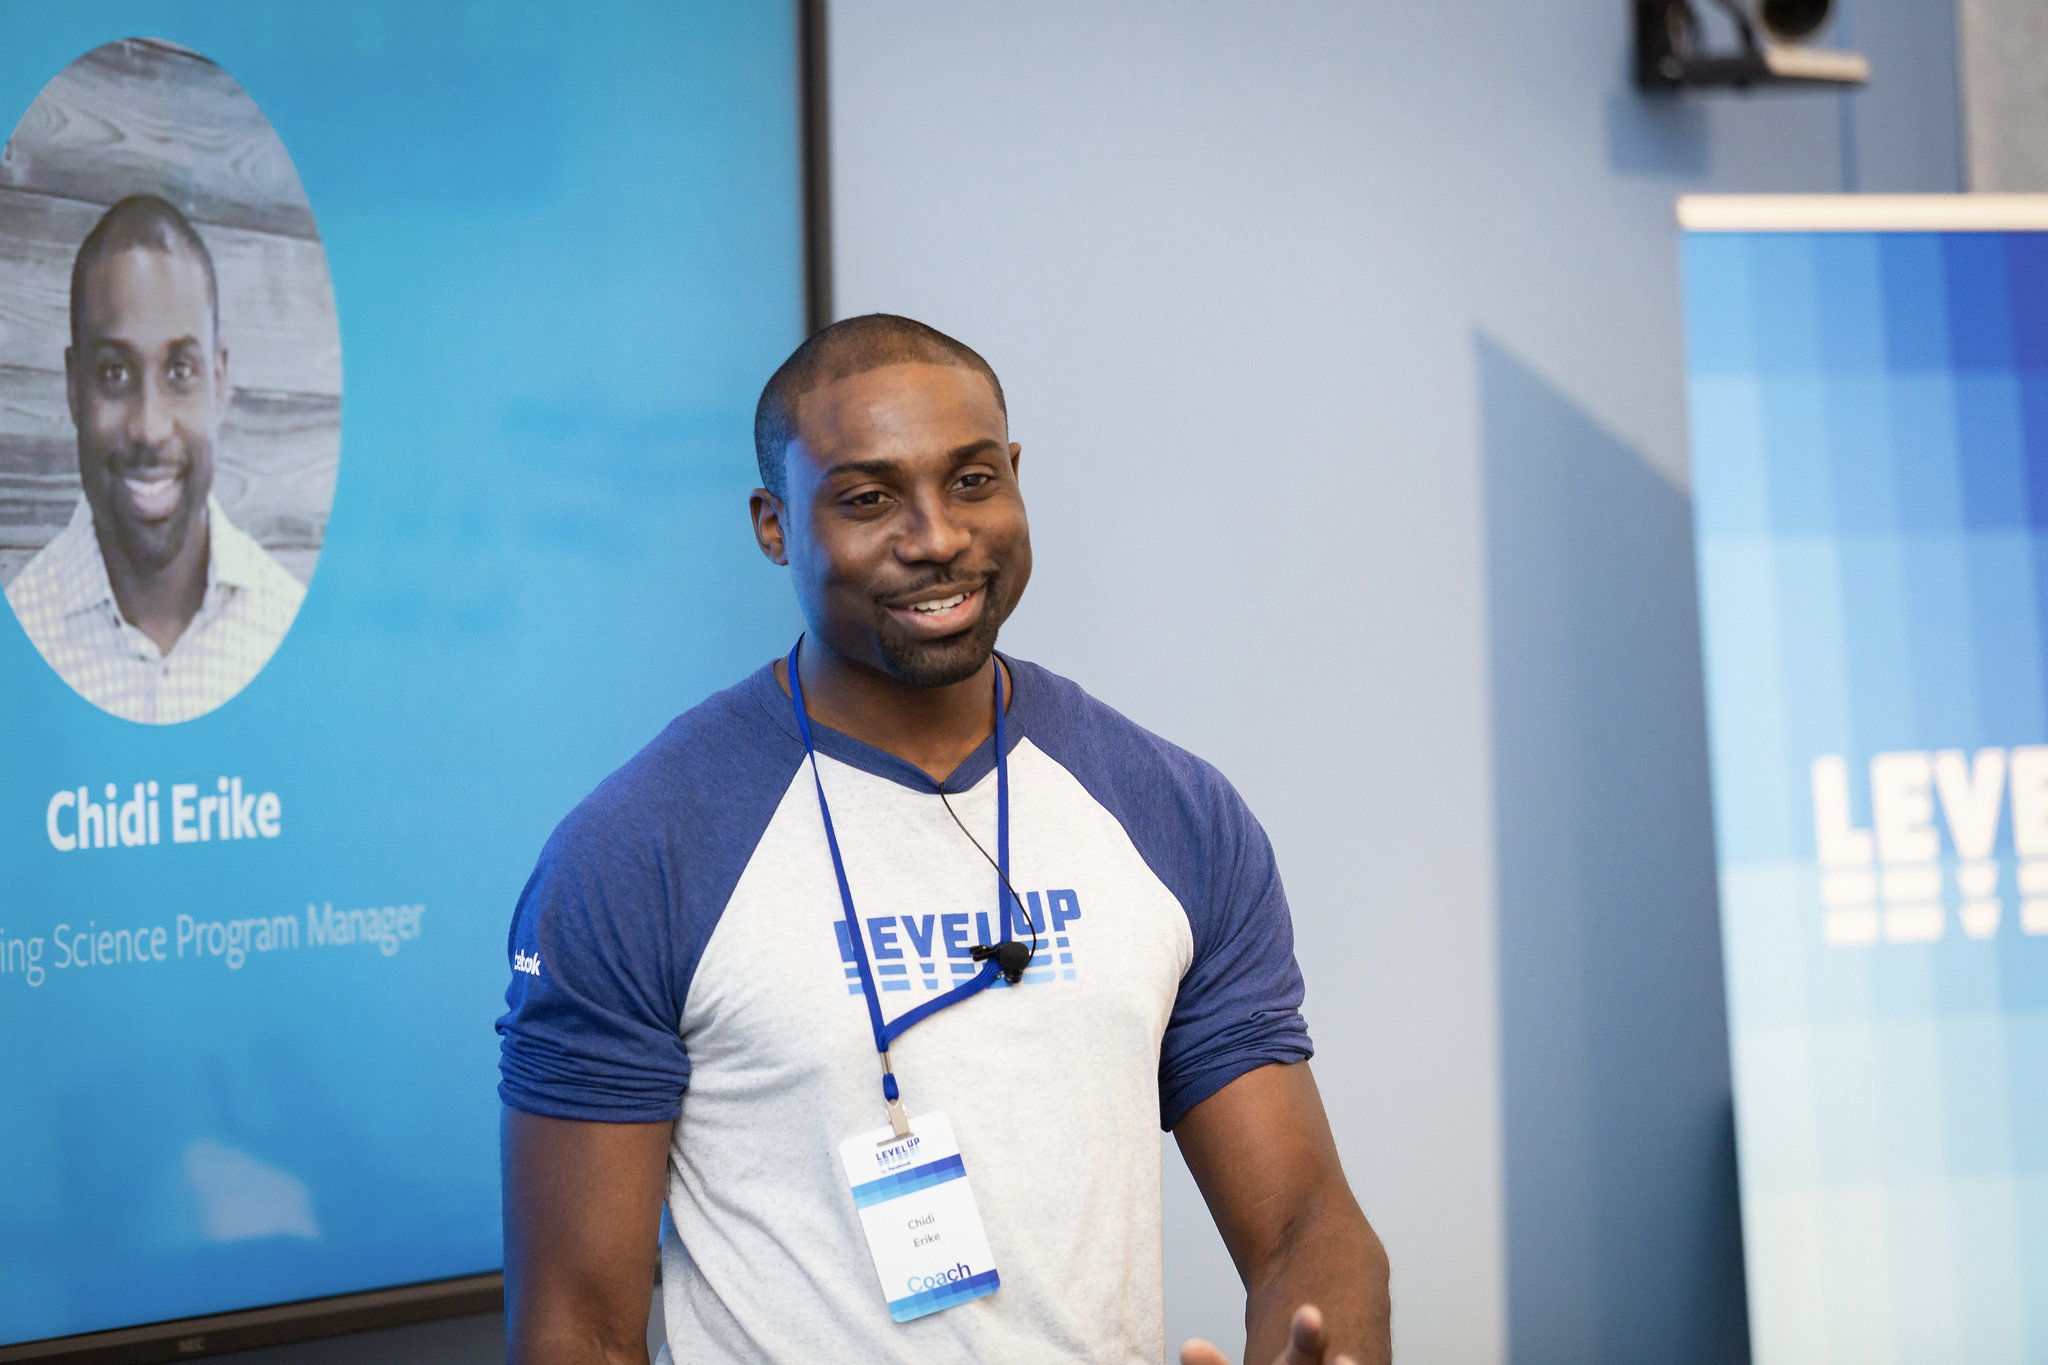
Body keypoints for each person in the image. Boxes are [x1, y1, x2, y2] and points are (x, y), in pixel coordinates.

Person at [498, 314, 1391, 1364]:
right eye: (867, 497)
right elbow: (576, 1332)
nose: (935, 537)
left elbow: (1305, 1224)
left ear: (1013, 476)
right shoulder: (637, 852)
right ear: (773, 523)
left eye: (971, 481)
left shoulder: (1172, 814)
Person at [5, 193, 304, 724]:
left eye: (180, 371)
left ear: (219, 382)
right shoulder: (17, 648)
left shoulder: (292, 634)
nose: (150, 426)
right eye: (115, 372)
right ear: (75, 389)